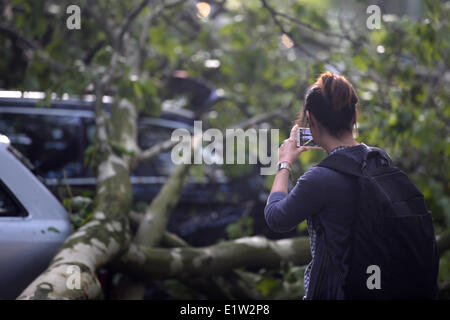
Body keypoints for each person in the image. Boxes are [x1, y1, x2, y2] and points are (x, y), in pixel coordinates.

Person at [264, 71, 439, 299]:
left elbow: (275, 217)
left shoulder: (319, 179)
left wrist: (284, 163)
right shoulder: (380, 159)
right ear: (354, 116)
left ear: (311, 119)